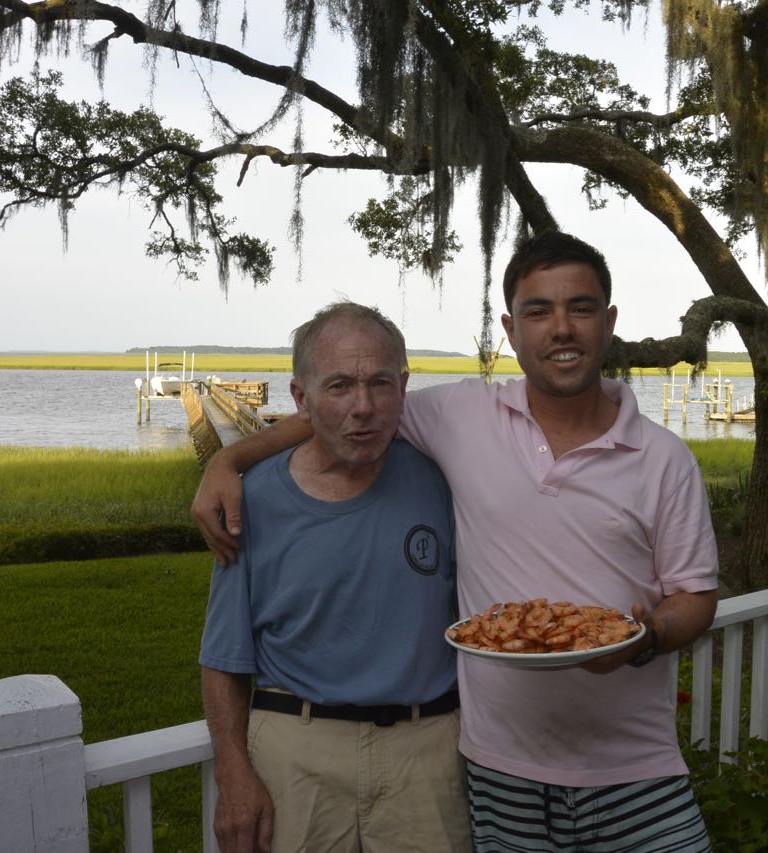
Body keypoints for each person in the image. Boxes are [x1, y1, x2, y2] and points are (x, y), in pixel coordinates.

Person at [194, 232, 720, 852]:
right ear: (510, 330)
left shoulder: (664, 458)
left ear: (608, 323)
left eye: (581, 308)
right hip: (501, 768)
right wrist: (228, 461)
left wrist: (644, 640)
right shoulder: (461, 416)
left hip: (634, 765)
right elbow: (343, 410)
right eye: (538, 311)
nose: (562, 328)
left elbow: (696, 595)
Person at [198, 302, 471, 853]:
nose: (363, 407)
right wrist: (232, 770)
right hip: (295, 753)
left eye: (380, 384)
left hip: (427, 752)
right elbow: (224, 655)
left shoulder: (445, 480)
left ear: (404, 387)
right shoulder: (253, 501)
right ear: (301, 398)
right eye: (340, 386)